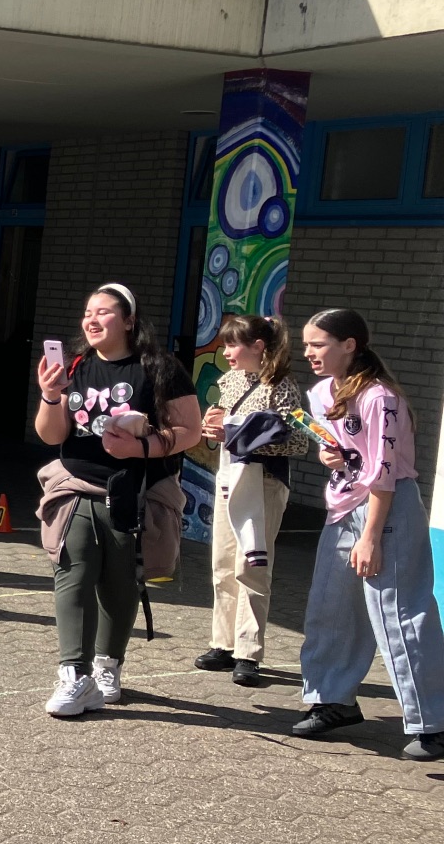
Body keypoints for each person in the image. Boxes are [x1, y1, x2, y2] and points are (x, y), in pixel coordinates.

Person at [33, 284, 202, 717]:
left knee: (121, 582)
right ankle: (75, 675)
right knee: (73, 573)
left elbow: (190, 431)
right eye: (88, 312)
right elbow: (51, 435)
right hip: (76, 485)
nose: (92, 320)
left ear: (128, 321)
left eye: (104, 312)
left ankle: (108, 665)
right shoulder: (75, 366)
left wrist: (140, 447)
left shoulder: (160, 368)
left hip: (136, 491)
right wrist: (50, 395)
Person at [289, 309, 444, 760]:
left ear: (349, 344)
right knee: (330, 605)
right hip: (343, 506)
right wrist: (330, 456)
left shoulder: (381, 398)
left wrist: (372, 536)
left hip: (386, 507)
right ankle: (332, 700)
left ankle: (433, 721)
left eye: (318, 344)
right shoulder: (320, 393)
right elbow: (341, 449)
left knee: (400, 612)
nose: (309, 352)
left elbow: (386, 472)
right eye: (306, 344)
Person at [194, 314, 310, 686]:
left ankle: (248, 652)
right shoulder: (230, 381)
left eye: (233, 344)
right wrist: (214, 425)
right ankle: (223, 644)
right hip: (230, 478)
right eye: (225, 344)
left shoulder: (282, 384)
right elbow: (225, 431)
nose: (226, 352)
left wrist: (240, 434)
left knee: (252, 566)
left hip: (264, 482)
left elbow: (298, 440)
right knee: (223, 563)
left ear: (258, 347)